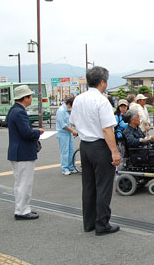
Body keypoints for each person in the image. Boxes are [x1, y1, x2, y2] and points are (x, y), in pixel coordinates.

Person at [69, 66, 121, 236]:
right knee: (104, 186)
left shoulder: (78, 99)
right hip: (100, 146)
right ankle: (102, 224)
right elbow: (107, 129)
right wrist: (114, 152)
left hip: (85, 146)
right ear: (103, 82)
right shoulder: (101, 101)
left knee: (89, 186)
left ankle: (89, 222)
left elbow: (74, 123)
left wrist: (87, 126)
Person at [7, 85, 45, 220]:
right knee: (25, 182)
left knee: (19, 182)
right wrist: (38, 132)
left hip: (16, 151)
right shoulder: (20, 112)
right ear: (25, 98)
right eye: (30, 96)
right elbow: (26, 132)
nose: (31, 99)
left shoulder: (14, 110)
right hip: (23, 152)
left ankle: (21, 207)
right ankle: (22, 210)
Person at [56, 98, 78, 176]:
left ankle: (71, 167)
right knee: (65, 151)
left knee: (71, 150)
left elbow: (70, 122)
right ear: (69, 104)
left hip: (68, 133)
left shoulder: (67, 111)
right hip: (63, 134)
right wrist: (72, 131)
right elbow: (63, 125)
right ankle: (65, 168)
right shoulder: (61, 111)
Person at [114, 99, 129, 164]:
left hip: (128, 137)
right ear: (118, 107)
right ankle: (119, 170)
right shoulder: (116, 116)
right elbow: (122, 125)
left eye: (124, 106)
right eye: (121, 106)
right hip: (120, 138)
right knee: (121, 155)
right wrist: (131, 123)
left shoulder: (128, 115)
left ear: (127, 107)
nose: (123, 108)